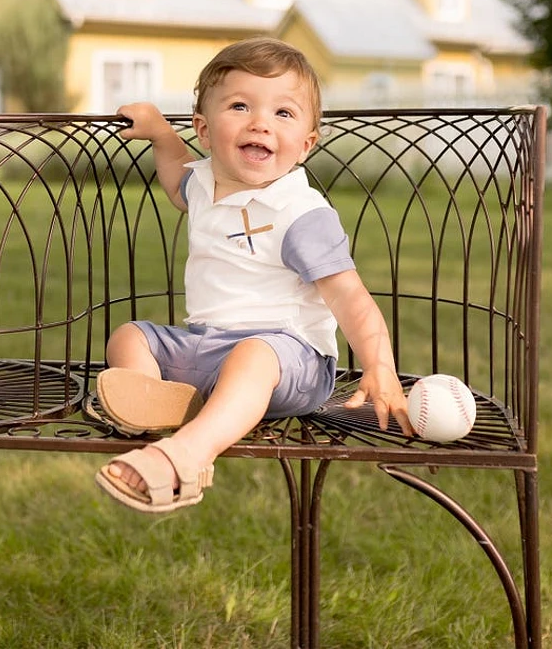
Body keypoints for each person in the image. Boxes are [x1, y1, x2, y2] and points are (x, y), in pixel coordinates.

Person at [94, 36, 412, 514]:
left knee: (254, 354)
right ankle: (162, 407)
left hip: (290, 360)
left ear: (305, 145)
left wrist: (380, 367)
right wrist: (161, 132)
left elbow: (349, 297)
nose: (260, 123)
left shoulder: (299, 212)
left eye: (282, 114)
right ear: (204, 129)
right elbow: (176, 177)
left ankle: (186, 454)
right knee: (130, 337)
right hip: (207, 346)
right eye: (240, 106)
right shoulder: (203, 183)